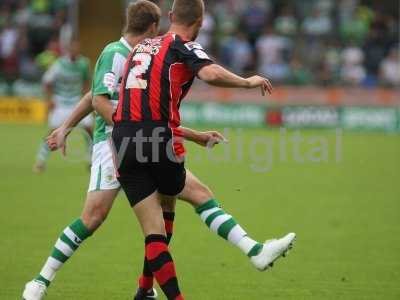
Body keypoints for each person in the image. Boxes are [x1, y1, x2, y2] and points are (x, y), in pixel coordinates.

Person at [23, 2, 225, 299]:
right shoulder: (115, 53)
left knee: (165, 213)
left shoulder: (142, 54)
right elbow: (98, 98)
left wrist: (67, 125)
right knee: (93, 217)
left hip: (141, 143)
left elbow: (100, 97)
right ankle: (41, 280)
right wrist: (66, 126)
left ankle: (145, 288)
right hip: (113, 144)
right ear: (155, 26)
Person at [111, 0, 296, 299]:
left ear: (171, 16)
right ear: (201, 20)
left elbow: (137, 109)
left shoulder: (141, 48)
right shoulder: (182, 44)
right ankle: (255, 250)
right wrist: (248, 82)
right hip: (158, 139)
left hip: (121, 141)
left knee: (155, 230)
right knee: (200, 196)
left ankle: (144, 291)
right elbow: (209, 74)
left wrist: (191, 134)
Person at [33, 40, 92, 173]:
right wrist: (50, 100)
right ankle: (40, 161)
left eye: (76, 48)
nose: (74, 51)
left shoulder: (83, 63)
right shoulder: (58, 64)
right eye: (71, 48)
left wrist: (87, 100)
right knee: (53, 132)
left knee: (88, 130)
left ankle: (91, 160)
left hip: (77, 102)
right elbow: (46, 82)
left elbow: (87, 81)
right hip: (61, 102)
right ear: (67, 49)